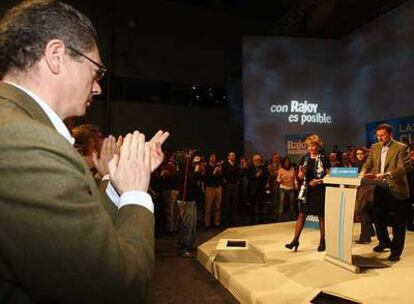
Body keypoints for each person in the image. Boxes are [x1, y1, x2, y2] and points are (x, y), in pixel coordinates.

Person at [0, 1, 169, 303]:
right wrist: (135, 193)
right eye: (96, 72)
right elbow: (115, 289)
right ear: (56, 56)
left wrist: (115, 184)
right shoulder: (25, 140)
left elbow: (73, 234)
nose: (98, 89)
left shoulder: (20, 126)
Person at [361, 124, 412, 262]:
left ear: (390, 134)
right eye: (378, 135)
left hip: (396, 189)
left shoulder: (401, 147)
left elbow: (405, 167)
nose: (379, 138)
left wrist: (387, 174)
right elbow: (368, 163)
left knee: (398, 223)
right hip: (380, 188)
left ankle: (396, 251)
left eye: (382, 135)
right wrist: (362, 173)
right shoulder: (375, 147)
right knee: (378, 218)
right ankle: (384, 242)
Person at [285, 134, 328, 252]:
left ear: (318, 146)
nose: (310, 148)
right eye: (309, 146)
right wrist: (302, 172)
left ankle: (323, 241)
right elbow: (300, 176)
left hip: (320, 190)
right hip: (307, 191)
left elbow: (329, 175)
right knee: (301, 215)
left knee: (321, 217)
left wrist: (318, 181)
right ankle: (295, 241)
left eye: (313, 146)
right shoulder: (304, 158)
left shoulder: (324, 157)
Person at [277, 157, 298, 221]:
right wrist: (279, 180)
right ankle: (279, 218)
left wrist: (296, 184)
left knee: (292, 203)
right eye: (286, 162)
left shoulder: (292, 169)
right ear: (284, 162)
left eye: (288, 161)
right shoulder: (281, 169)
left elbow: (294, 178)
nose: (287, 163)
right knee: (282, 203)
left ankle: (293, 218)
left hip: (291, 188)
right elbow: (278, 178)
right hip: (283, 187)